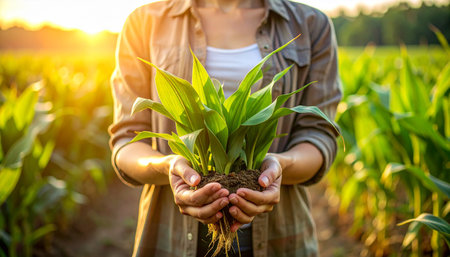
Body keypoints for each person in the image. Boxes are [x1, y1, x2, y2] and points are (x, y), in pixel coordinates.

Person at [108, 0, 341, 256]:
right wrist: (168, 167)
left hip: (280, 237)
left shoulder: (311, 25)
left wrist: (280, 165)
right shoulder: (144, 22)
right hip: (170, 239)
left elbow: (319, 136)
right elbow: (127, 141)